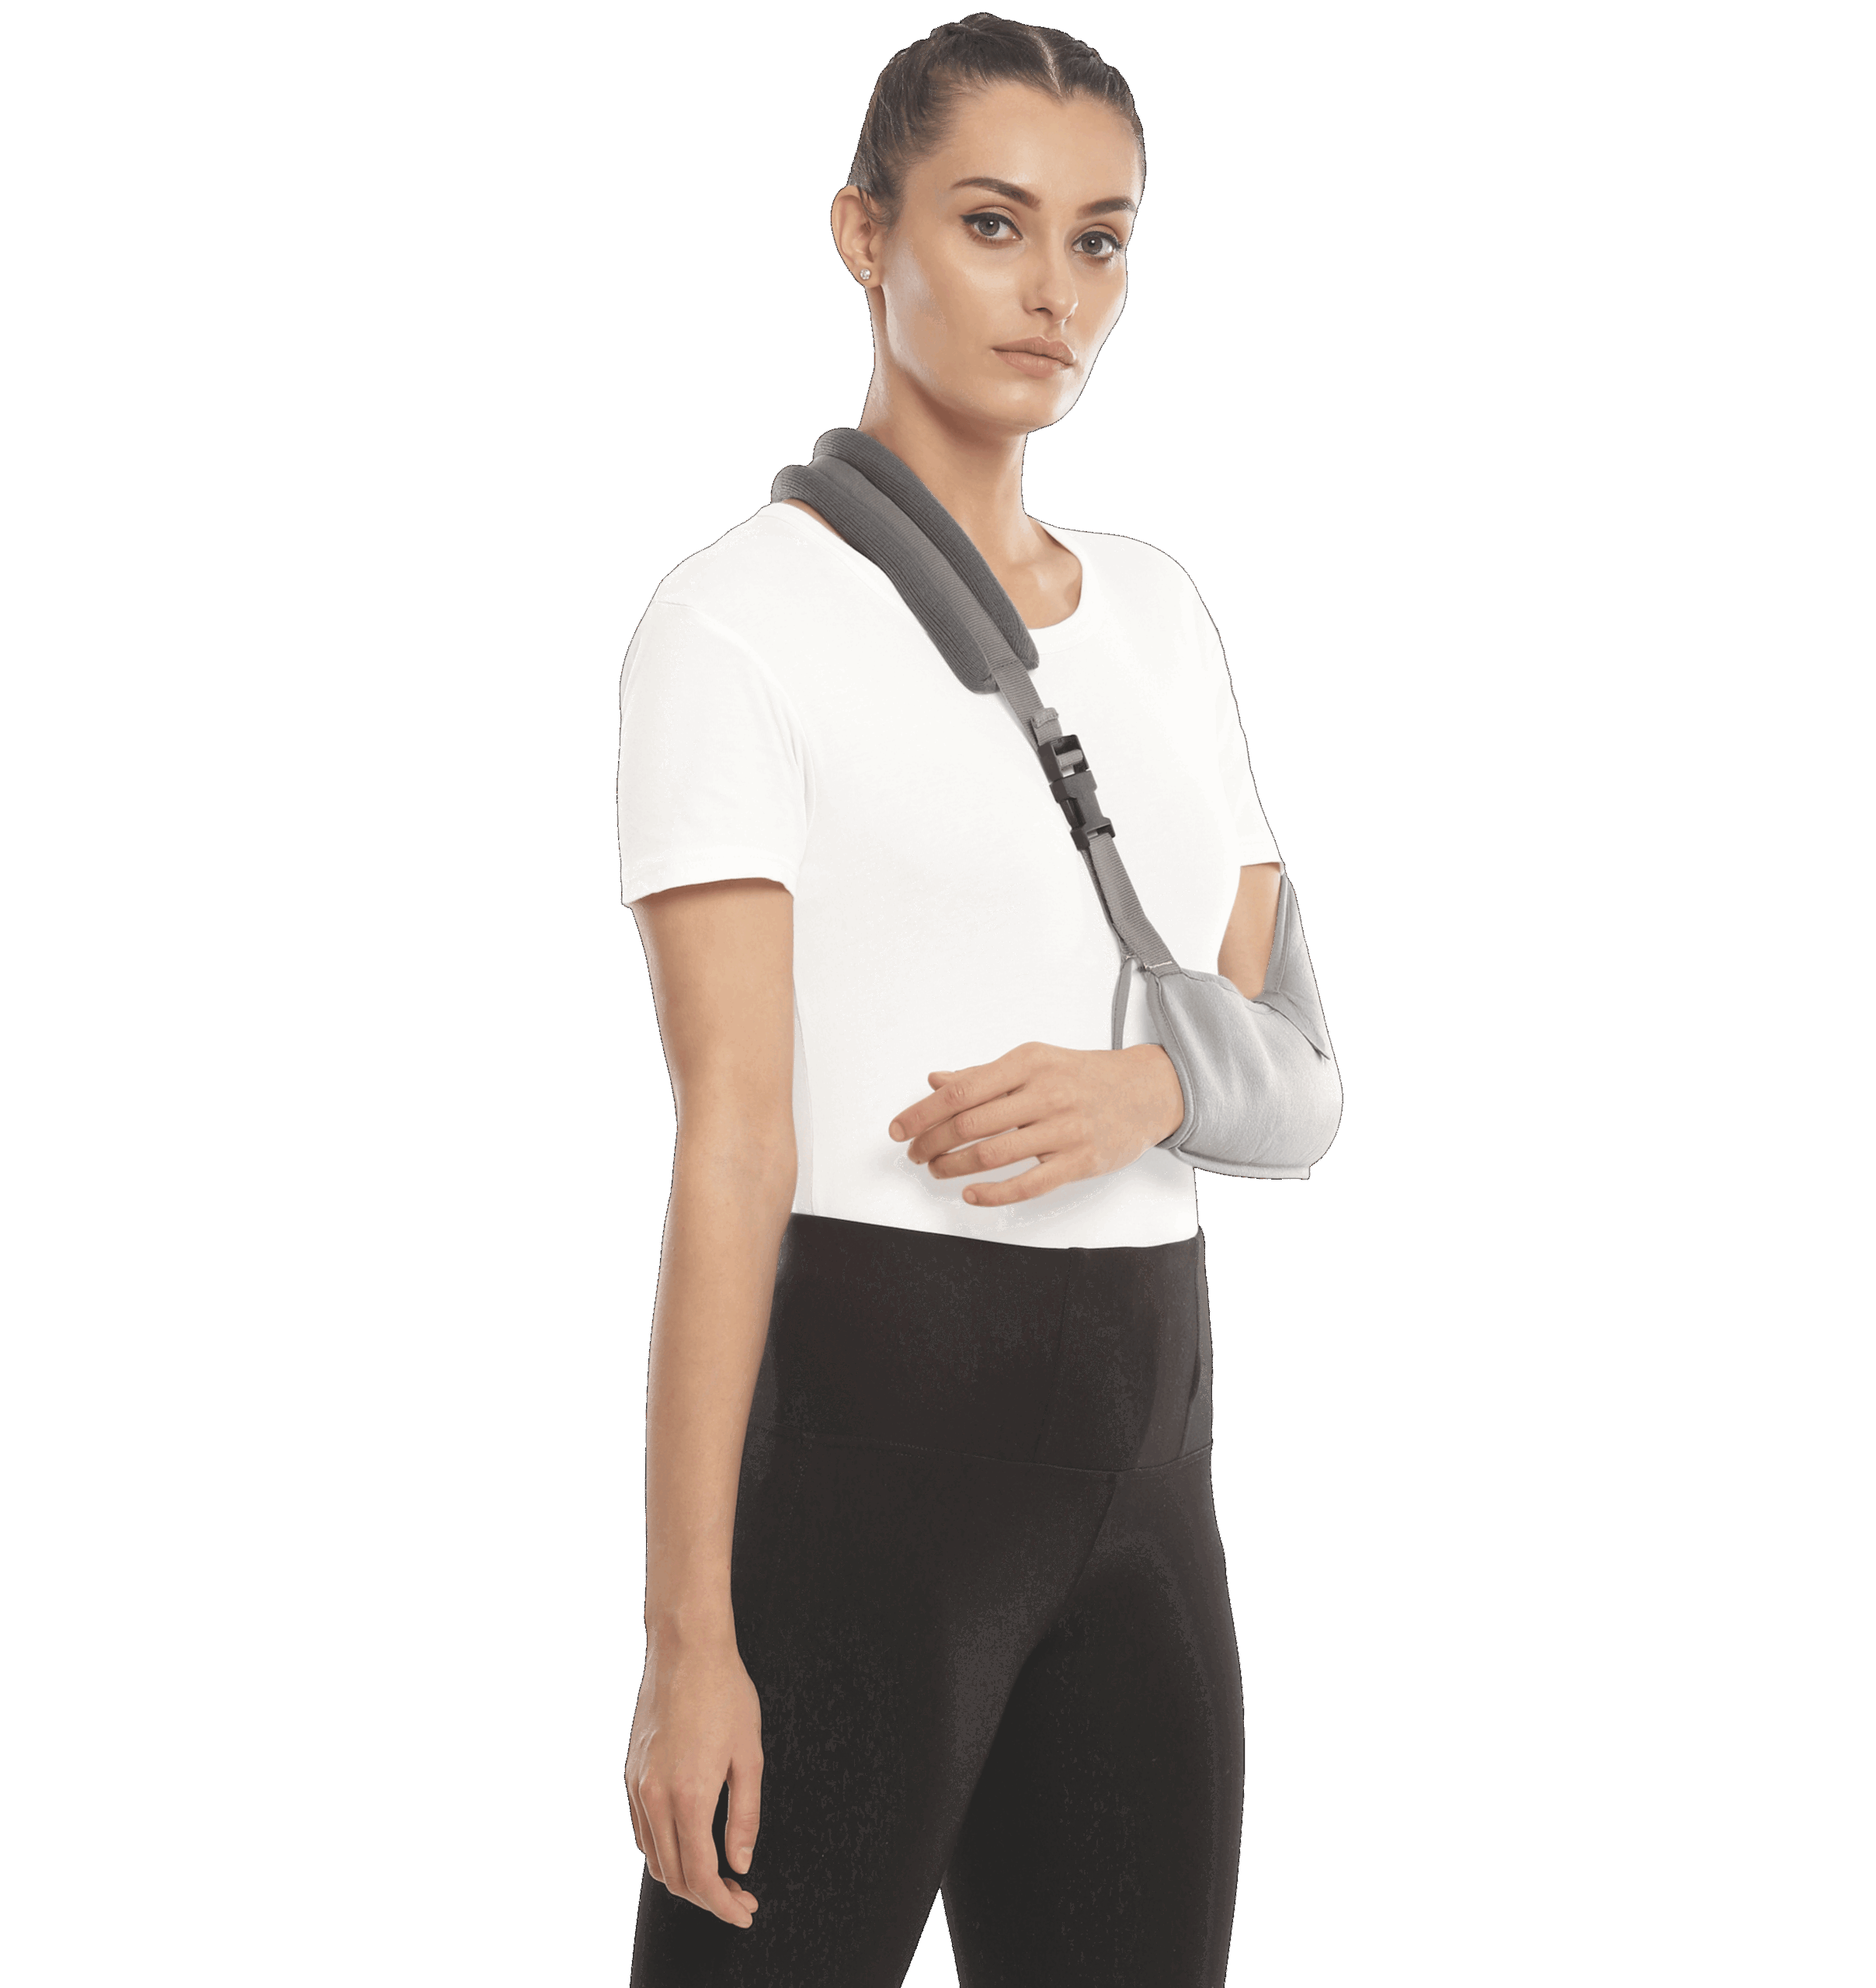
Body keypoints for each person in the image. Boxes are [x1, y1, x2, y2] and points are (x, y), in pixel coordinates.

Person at [616, 16, 1338, 1984]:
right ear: (866, 233)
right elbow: (729, 1141)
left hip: (1149, 1481)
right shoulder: (734, 622)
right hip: (873, 1463)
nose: (1053, 291)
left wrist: (1141, 1093)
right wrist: (688, 1639)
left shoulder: (1164, 612)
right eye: (993, 222)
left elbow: (1295, 1075)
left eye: (1099, 239)